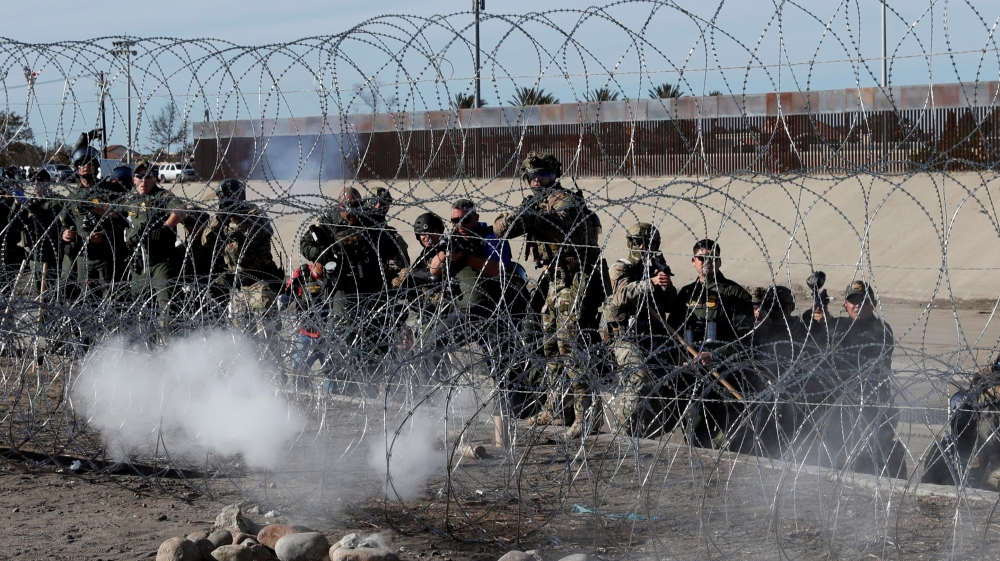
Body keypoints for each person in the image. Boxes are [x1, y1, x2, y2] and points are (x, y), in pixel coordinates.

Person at [494, 152, 606, 439]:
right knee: (551, 345)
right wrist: (521, 214)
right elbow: (502, 229)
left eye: (542, 176)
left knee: (569, 345)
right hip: (555, 278)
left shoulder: (568, 200)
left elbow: (560, 223)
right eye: (531, 177)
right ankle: (556, 407)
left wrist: (531, 215)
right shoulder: (535, 202)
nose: (536, 181)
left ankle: (586, 415)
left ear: (554, 175)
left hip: (576, 276)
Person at [296, 187, 408, 393]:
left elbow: (397, 251)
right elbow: (305, 245)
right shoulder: (329, 223)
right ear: (338, 207)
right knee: (341, 338)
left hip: (371, 291)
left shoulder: (373, 224)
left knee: (373, 341)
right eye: (345, 208)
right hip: (342, 291)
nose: (350, 212)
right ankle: (341, 388)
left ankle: (370, 388)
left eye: (355, 207)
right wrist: (324, 254)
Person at [666, 238, 755, 449]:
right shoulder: (687, 293)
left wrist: (714, 354)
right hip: (692, 373)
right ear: (693, 261)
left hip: (724, 372)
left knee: (728, 434)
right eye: (702, 258)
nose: (707, 262)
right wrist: (679, 354)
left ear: (719, 262)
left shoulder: (735, 294)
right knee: (694, 432)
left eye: (712, 258)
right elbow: (673, 329)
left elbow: (745, 337)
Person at [601, 223, 679, 438]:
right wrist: (650, 283)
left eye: (648, 243)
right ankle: (622, 433)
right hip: (623, 337)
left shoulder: (655, 266)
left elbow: (671, 305)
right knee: (638, 376)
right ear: (630, 242)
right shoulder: (621, 268)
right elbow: (620, 296)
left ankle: (647, 434)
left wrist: (665, 284)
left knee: (659, 385)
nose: (643, 246)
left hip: (652, 337)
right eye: (638, 242)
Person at [825, 280, 908, 478]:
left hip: (873, 402)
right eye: (852, 301)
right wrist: (820, 317)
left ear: (873, 305)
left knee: (873, 452)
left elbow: (861, 344)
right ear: (845, 305)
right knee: (838, 449)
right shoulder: (837, 325)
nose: (857, 305)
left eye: (863, 301)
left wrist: (828, 324)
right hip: (842, 404)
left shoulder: (880, 329)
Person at [201, 178, 283, 338]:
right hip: (238, 287)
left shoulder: (255, 213)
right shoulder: (221, 217)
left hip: (259, 283)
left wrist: (236, 217)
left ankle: (271, 364)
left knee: (267, 335)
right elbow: (205, 241)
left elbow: (257, 234)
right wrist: (219, 219)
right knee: (242, 339)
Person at [922, 354, 1000, 489]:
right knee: (961, 402)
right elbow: (976, 390)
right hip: (984, 440)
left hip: (992, 448)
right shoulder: (947, 448)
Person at [123, 160, 185, 329]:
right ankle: (145, 347)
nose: (144, 180)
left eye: (148, 176)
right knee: (140, 309)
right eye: (139, 176)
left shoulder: (163, 197)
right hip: (139, 263)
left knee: (165, 306)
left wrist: (165, 228)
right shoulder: (129, 200)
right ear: (134, 179)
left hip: (160, 261)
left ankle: (167, 344)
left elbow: (181, 209)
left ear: (155, 178)